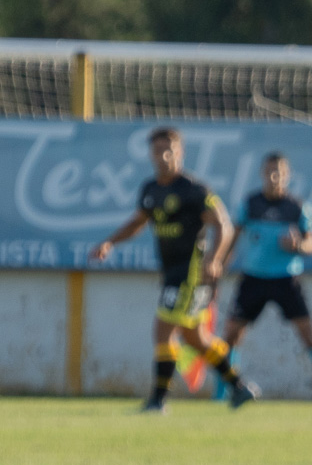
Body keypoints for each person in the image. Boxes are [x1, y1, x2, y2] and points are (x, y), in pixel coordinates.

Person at [92, 127, 257, 412]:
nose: (164, 156)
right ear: (151, 154)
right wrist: (109, 242)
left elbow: (224, 225)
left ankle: (158, 400)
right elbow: (137, 222)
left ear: (180, 153)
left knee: (163, 330)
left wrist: (216, 259)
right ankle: (238, 387)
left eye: (170, 150)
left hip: (191, 274)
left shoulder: (194, 190)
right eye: (158, 151)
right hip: (172, 273)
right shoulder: (151, 190)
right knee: (196, 339)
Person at [215, 152, 312, 401]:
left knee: (309, 336)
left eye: (279, 172)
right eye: (269, 172)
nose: (274, 177)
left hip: (286, 280)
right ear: (262, 173)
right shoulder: (250, 204)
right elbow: (233, 238)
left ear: (288, 175)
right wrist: (219, 268)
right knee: (231, 336)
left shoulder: (297, 207)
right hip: (253, 279)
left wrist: (298, 246)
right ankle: (220, 394)